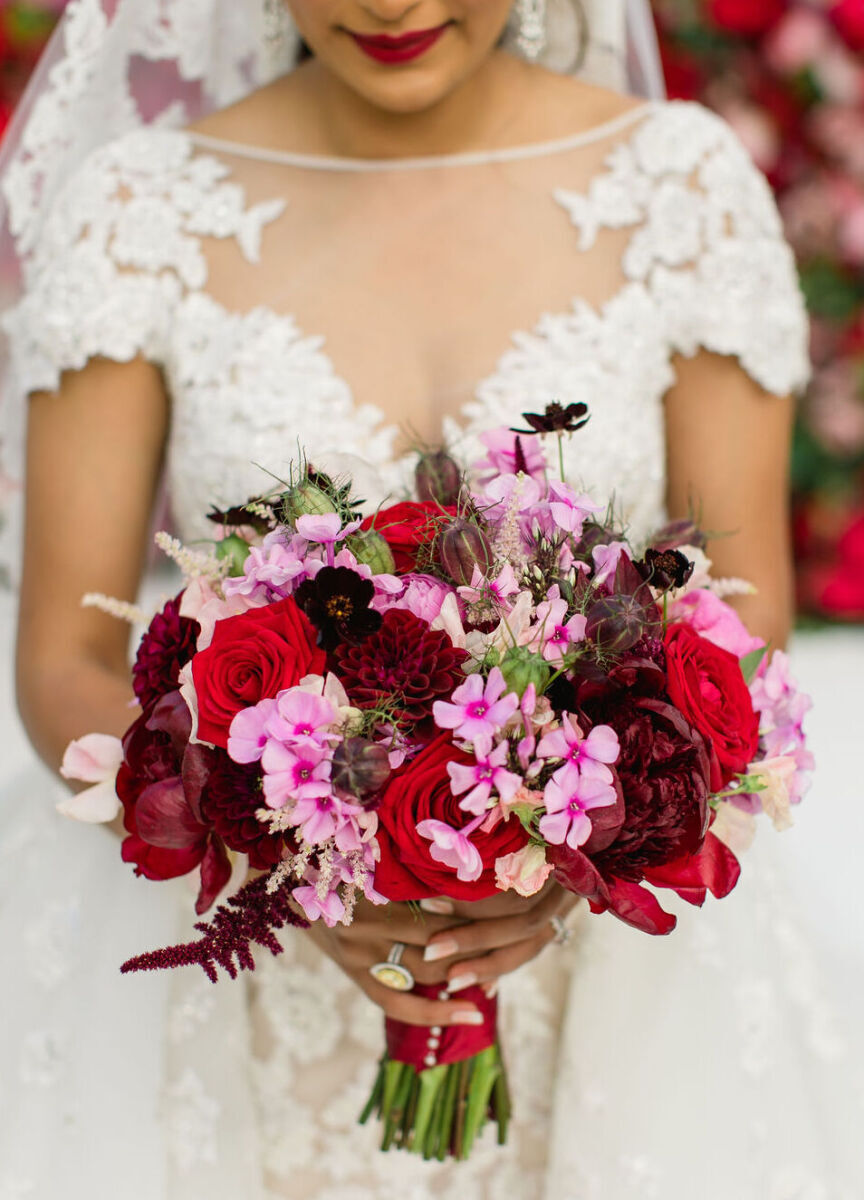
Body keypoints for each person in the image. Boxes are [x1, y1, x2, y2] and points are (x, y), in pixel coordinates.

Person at [0, 1, 858, 1197]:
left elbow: (742, 618)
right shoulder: (138, 210)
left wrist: (576, 851)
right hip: (237, 979)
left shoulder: (679, 188)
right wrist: (277, 850)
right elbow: (60, 655)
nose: (391, 5)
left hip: (617, 987)